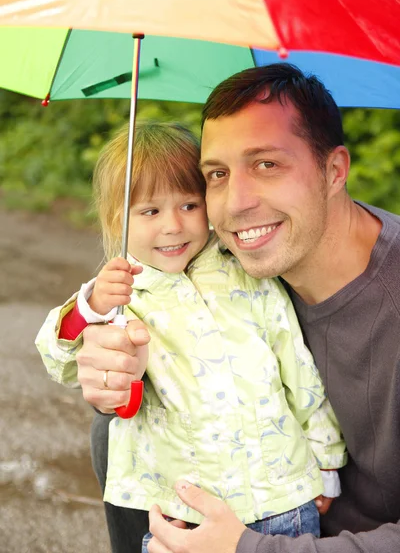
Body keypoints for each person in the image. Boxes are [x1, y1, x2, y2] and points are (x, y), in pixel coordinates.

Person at [72, 64, 400, 553]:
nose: (237, 202)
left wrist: (245, 549)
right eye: (217, 175)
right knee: (116, 428)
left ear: (334, 170)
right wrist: (113, 366)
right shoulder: (229, 268)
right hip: (254, 503)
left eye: (267, 164)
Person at [35, 119, 346, 553]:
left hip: (281, 497)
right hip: (183, 513)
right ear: (116, 219)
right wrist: (91, 306)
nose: (173, 226)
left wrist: (326, 460)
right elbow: (59, 357)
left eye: (188, 205)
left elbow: (298, 369)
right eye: (150, 211)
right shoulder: (123, 294)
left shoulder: (246, 273)